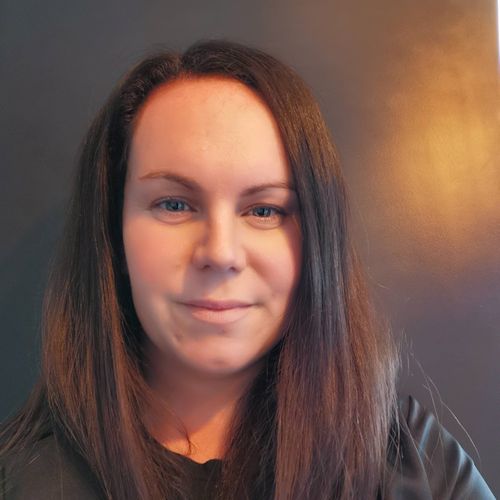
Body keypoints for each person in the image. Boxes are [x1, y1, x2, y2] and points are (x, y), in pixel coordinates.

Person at [0, 39, 494, 500]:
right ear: (113, 233)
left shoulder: (413, 462)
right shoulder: (24, 479)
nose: (220, 253)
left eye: (264, 210)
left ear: (317, 241)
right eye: (174, 204)